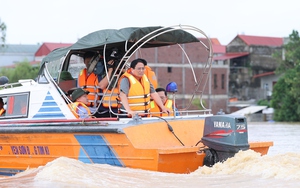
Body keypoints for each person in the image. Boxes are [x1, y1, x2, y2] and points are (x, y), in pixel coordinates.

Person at [78, 51, 117, 117]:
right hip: (85, 107)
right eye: (88, 62)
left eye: (91, 62)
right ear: (84, 62)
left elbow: (102, 86)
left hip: (98, 107)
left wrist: (110, 70)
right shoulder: (81, 73)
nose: (90, 64)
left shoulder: (100, 72)